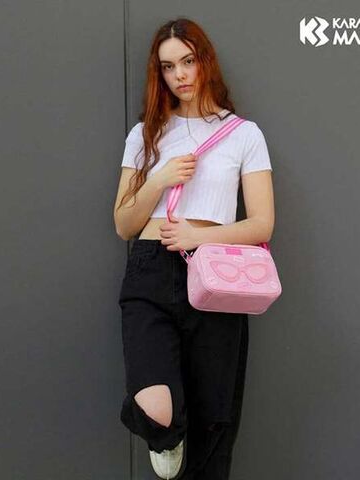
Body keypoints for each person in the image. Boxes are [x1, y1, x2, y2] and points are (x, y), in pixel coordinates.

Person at [113, 17, 275, 480]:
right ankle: (166, 436)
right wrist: (159, 179)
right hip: (149, 270)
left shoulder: (244, 134)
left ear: (205, 62)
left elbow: (262, 223)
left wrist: (198, 237)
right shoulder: (145, 133)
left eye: (187, 61)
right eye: (168, 67)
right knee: (157, 404)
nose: (180, 75)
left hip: (214, 276)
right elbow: (123, 224)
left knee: (214, 418)